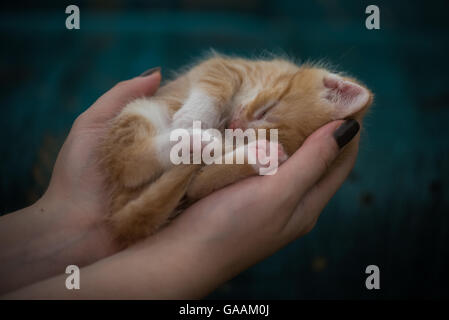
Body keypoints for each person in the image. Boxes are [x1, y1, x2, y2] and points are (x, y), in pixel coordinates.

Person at [0, 68, 360, 299]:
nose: (239, 125)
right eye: (263, 113)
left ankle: (175, 157)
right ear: (330, 84)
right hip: (162, 137)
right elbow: (219, 73)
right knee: (144, 117)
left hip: (174, 182)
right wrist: (202, 112)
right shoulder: (270, 73)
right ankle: (158, 155)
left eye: (255, 131)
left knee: (195, 169)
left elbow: (192, 190)